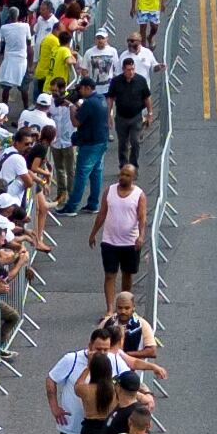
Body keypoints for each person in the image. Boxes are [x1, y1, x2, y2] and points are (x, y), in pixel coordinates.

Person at [91, 163, 145, 307]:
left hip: (130, 243)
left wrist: (141, 236)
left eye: (127, 175)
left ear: (133, 177)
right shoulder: (109, 191)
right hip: (110, 241)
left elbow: (141, 218)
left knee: (127, 275)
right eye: (122, 174)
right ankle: (110, 309)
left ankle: (124, 306)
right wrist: (93, 233)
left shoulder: (139, 194)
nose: (123, 177)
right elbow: (102, 214)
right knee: (109, 275)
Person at [64, 76, 111, 215]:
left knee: (81, 175)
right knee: (96, 173)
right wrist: (79, 106)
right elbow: (90, 113)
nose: (80, 92)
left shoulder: (89, 103)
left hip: (90, 143)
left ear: (87, 88)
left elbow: (76, 122)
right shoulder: (101, 99)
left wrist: (72, 108)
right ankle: (93, 204)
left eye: (81, 89)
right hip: (101, 141)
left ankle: (71, 207)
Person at [107, 58, 154, 172]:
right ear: (123, 70)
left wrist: (150, 113)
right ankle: (123, 167)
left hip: (136, 117)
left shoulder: (140, 81)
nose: (131, 72)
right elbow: (110, 98)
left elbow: (147, 98)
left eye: (132, 69)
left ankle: (133, 167)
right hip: (121, 117)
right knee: (122, 143)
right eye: (128, 70)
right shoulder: (116, 82)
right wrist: (109, 115)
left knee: (135, 141)